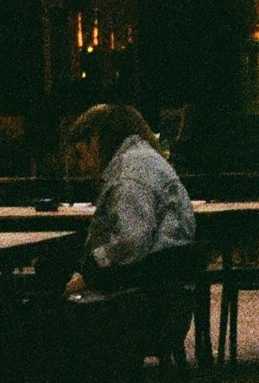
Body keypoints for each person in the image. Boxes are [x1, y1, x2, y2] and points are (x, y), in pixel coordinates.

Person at [67, 103, 195, 290]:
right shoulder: (145, 158)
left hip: (143, 293)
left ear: (94, 140)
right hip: (169, 283)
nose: (83, 167)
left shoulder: (128, 174)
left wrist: (90, 274)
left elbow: (131, 241)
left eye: (80, 154)